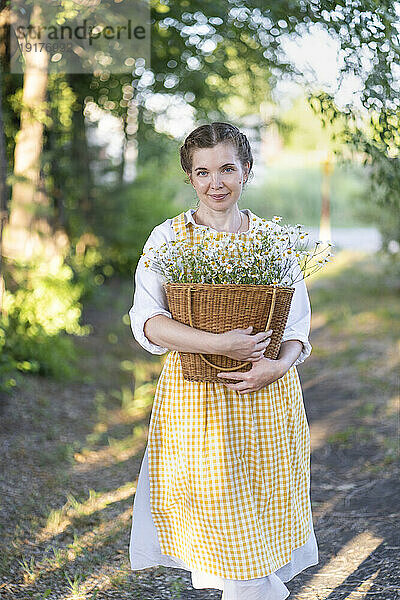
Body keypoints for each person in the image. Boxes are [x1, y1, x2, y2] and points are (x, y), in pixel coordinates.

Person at [128, 122, 318, 600]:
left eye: (228, 169)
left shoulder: (272, 242)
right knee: (224, 535)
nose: (217, 183)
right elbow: (147, 321)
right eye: (203, 171)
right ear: (190, 178)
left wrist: (278, 365)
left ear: (246, 171)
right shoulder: (169, 239)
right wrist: (218, 344)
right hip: (198, 408)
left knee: (256, 528)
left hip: (267, 402)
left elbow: (296, 328)